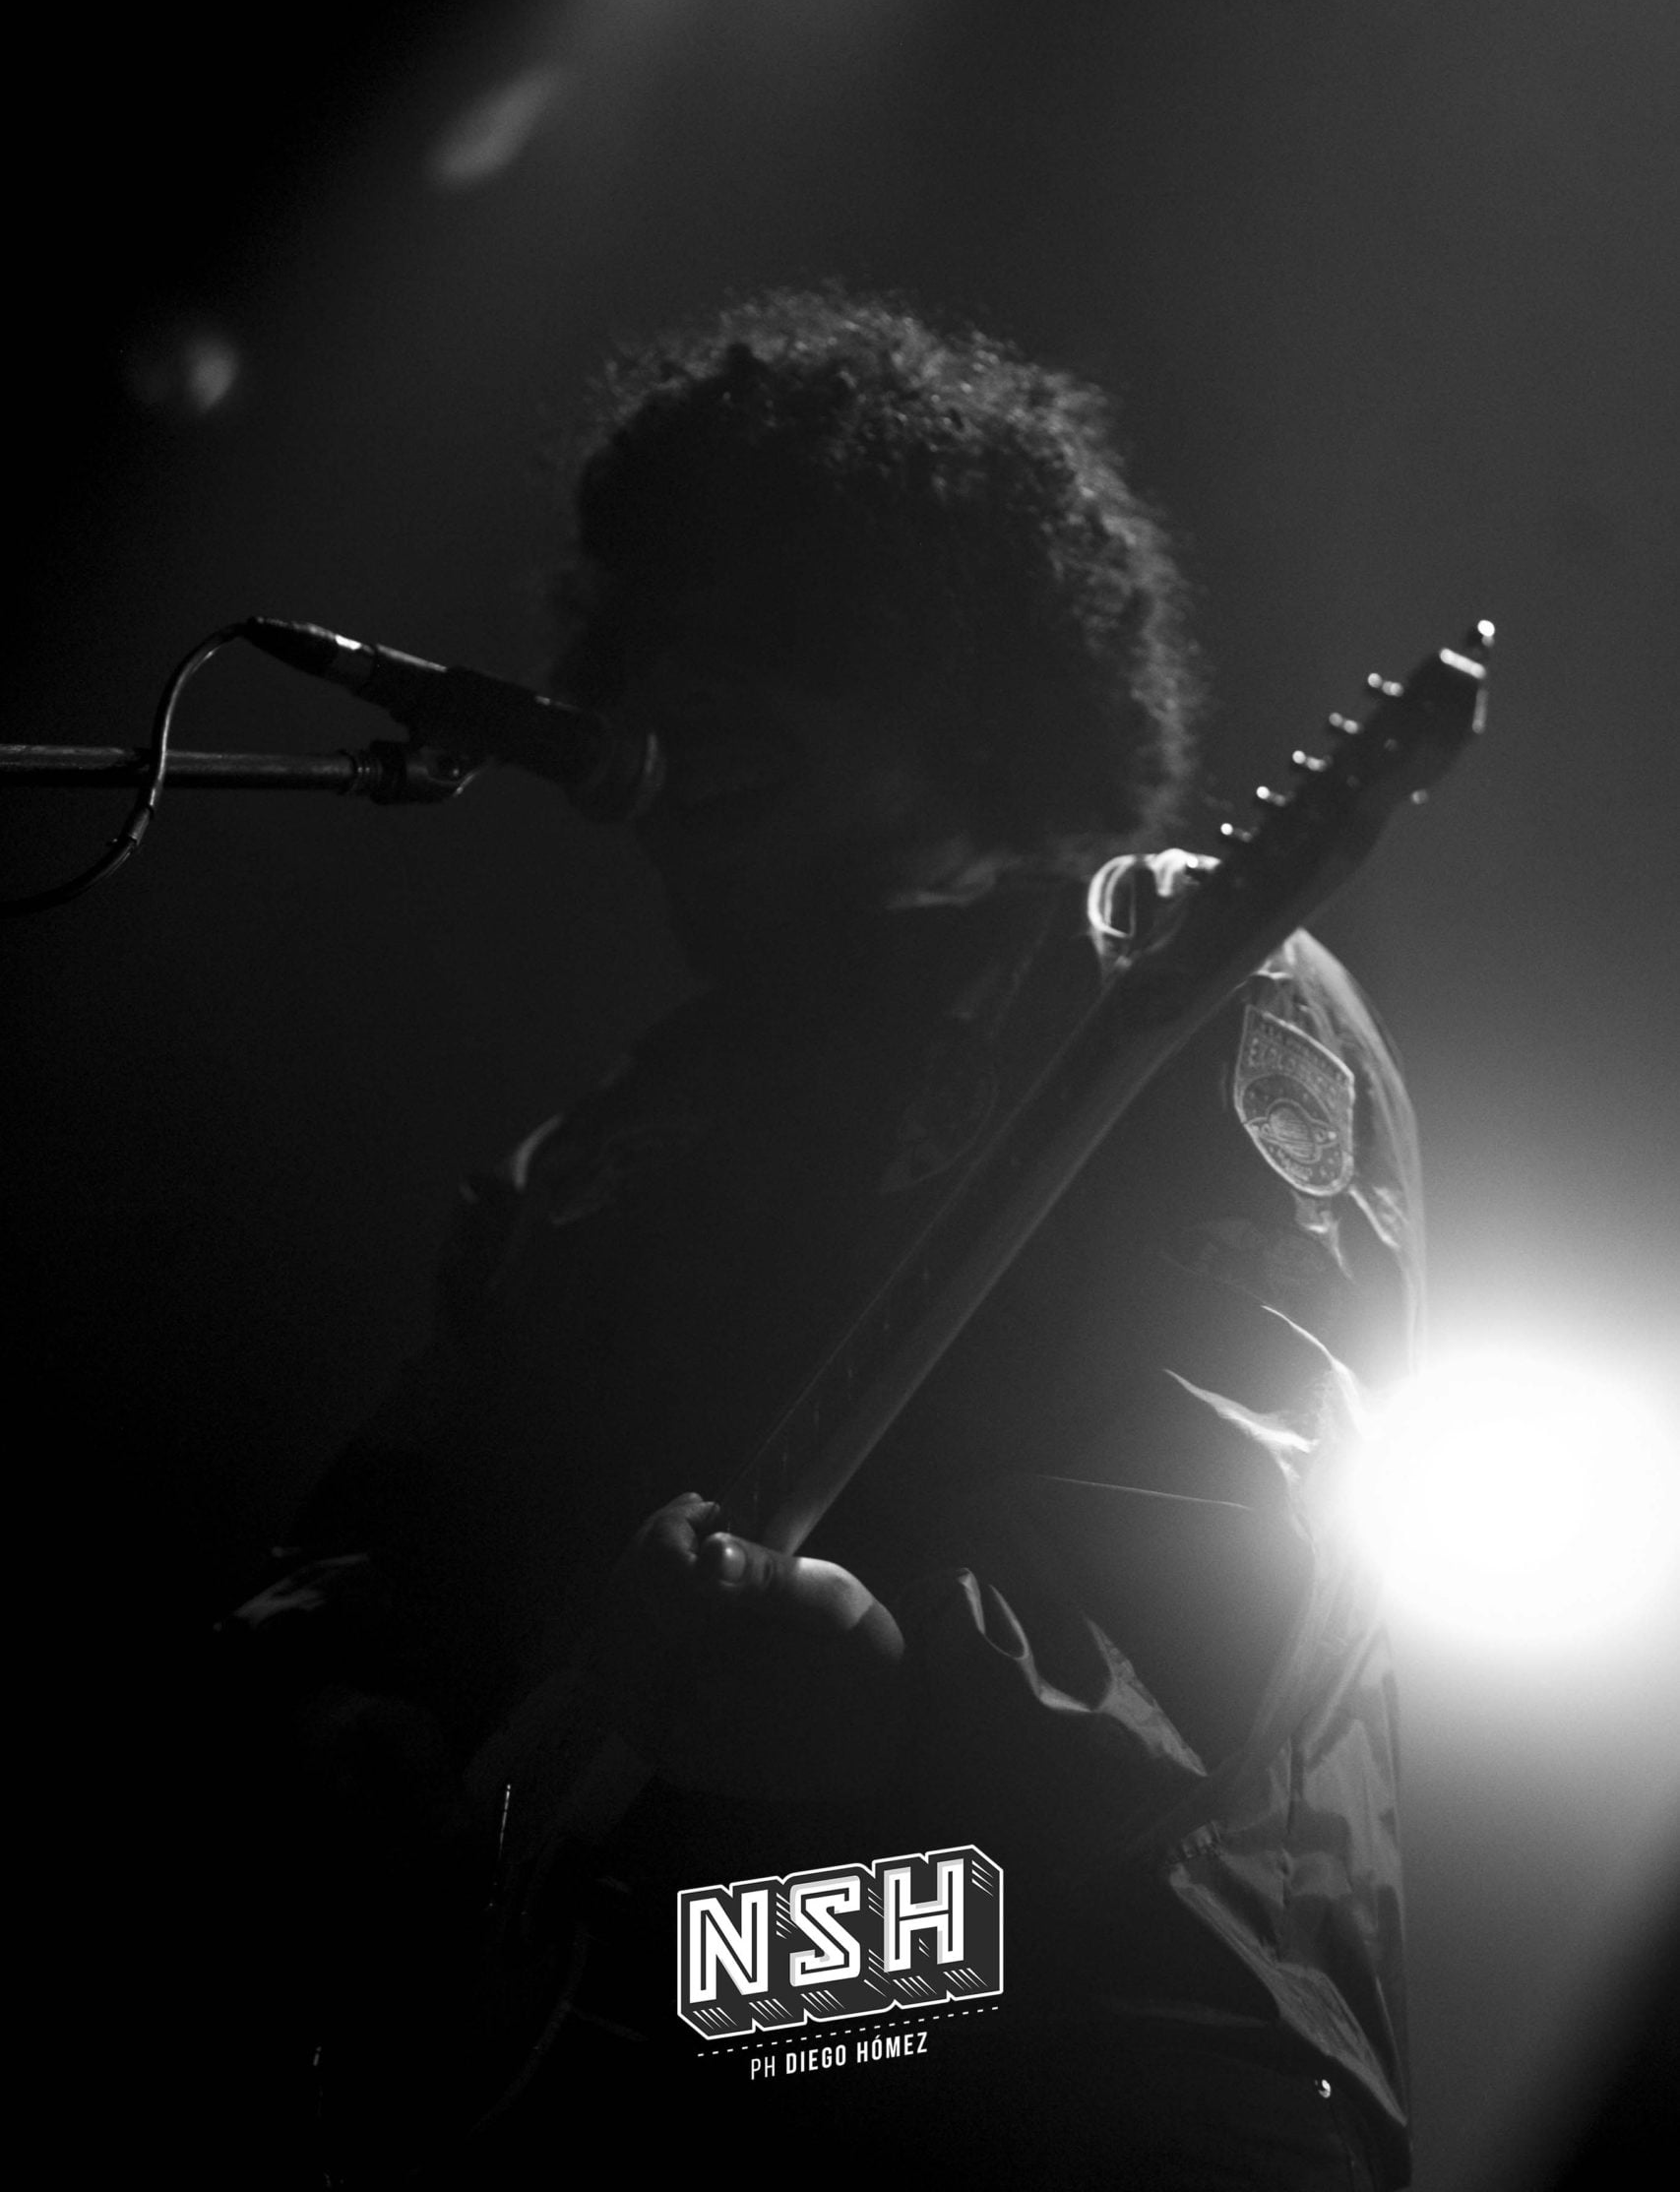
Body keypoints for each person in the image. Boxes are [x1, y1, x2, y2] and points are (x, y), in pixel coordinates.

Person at [221, 288, 1422, 2188]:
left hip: (1100, 2032)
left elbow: (1239, 1532)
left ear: (948, 663)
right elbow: (378, 1535)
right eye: (650, 642)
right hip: (685, 2036)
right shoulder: (591, 1156)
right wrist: (332, 1703)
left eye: (767, 637)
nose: (677, 697)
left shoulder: (1168, 972)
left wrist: (886, 1688)